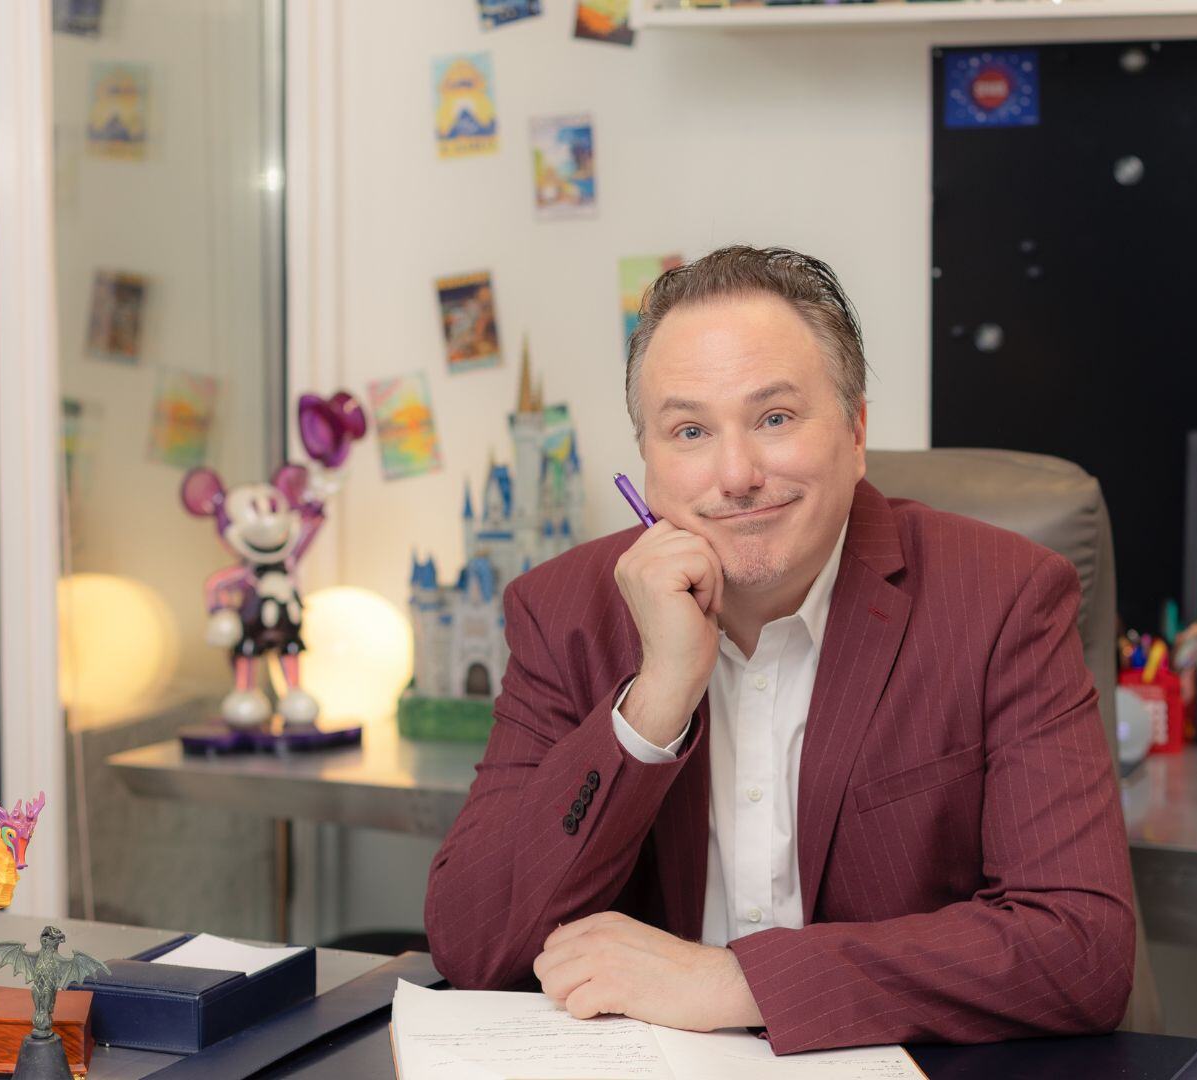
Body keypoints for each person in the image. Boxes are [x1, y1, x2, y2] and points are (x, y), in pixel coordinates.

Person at [423, 245, 1134, 1054]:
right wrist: (654, 701)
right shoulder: (564, 612)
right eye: (689, 430)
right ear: (648, 465)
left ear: (856, 432)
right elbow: (476, 946)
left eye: (775, 418)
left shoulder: (1002, 598)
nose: (736, 474)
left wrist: (736, 981)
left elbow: (1082, 947)